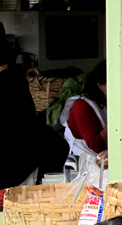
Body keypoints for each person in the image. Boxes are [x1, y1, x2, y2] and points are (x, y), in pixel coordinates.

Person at [0, 22, 69, 189]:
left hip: (13, 159)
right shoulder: (11, 76)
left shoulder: (10, 76)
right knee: (54, 143)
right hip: (12, 164)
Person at [59, 60, 108, 186]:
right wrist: (120, 116)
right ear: (100, 85)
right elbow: (96, 145)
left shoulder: (108, 103)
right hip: (85, 170)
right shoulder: (82, 106)